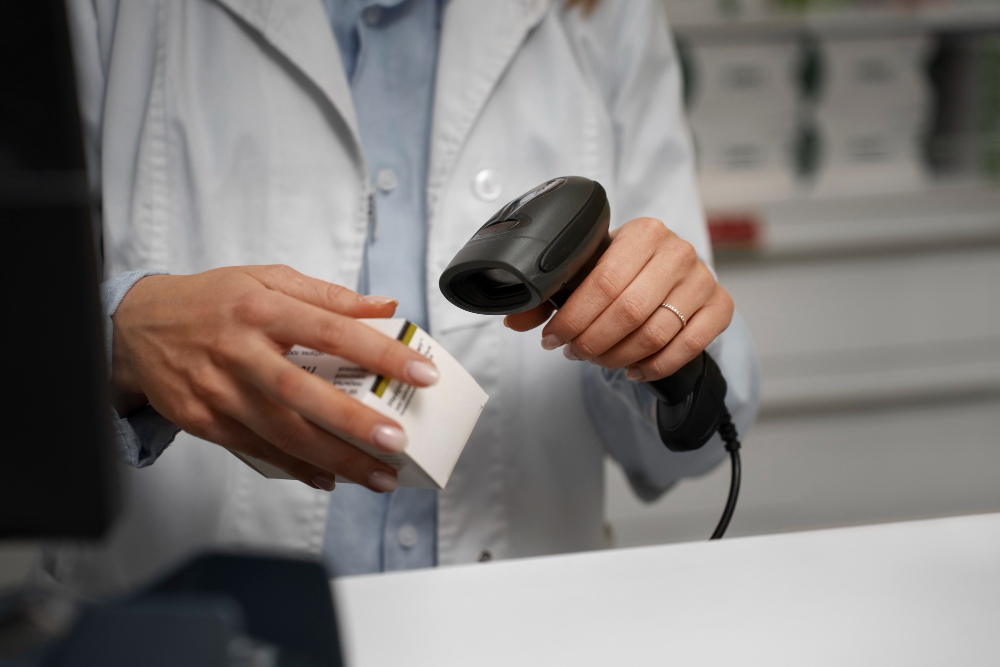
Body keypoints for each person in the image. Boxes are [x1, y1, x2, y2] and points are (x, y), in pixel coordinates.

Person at [50, 0, 760, 592]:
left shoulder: (604, 13)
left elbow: (689, 450)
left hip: (519, 628)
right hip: (187, 624)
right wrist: (122, 335)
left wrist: (666, 339)